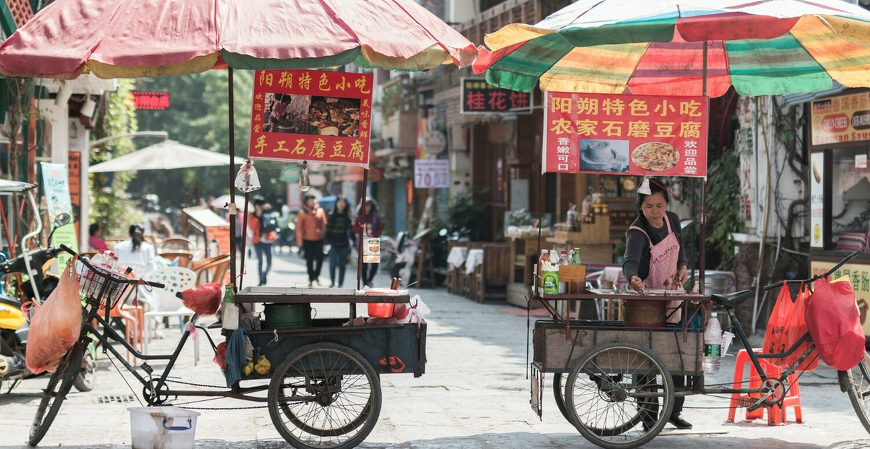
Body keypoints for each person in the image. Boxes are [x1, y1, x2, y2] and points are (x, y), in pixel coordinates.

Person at [622, 179, 691, 431]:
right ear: (640, 207)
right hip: (646, 303)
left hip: (672, 297)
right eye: (649, 206)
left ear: (667, 204)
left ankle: (674, 411)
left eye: (659, 205)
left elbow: (680, 247)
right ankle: (648, 415)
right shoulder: (637, 231)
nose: (655, 211)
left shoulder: (672, 219)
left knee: (676, 353)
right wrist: (633, 278)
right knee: (646, 359)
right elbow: (629, 262)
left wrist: (682, 266)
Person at [296, 195, 327, 288]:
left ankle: (316, 275)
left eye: (313, 199)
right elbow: (299, 228)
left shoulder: (320, 211)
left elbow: (324, 224)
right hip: (307, 239)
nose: (312, 201)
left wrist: (324, 237)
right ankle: (311, 277)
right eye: (310, 200)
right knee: (309, 260)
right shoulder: (302, 212)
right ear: (306, 201)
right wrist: (299, 240)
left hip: (318, 239)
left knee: (320, 258)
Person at [353, 198, 383, 287]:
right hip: (363, 242)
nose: (367, 208)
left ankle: (370, 280)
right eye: (365, 206)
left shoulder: (375, 216)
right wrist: (362, 229)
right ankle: (365, 283)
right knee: (364, 265)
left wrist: (375, 234)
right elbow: (354, 229)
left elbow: (380, 228)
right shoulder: (359, 216)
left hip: (373, 241)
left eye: (369, 206)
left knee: (374, 265)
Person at [249, 197, 279, 286]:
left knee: (269, 262)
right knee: (260, 261)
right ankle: (261, 279)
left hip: (268, 240)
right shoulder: (253, 215)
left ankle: (264, 275)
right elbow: (252, 227)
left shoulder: (269, 212)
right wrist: (258, 216)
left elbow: (273, 224)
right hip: (258, 241)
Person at [325, 196, 352, 288]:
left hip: (344, 244)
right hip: (333, 244)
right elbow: (327, 230)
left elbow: (350, 231)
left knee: (342, 265)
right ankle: (332, 281)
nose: (341, 204)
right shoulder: (331, 216)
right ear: (336, 204)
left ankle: (340, 283)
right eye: (339, 202)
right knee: (332, 264)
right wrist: (326, 242)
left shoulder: (347, 217)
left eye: (343, 202)